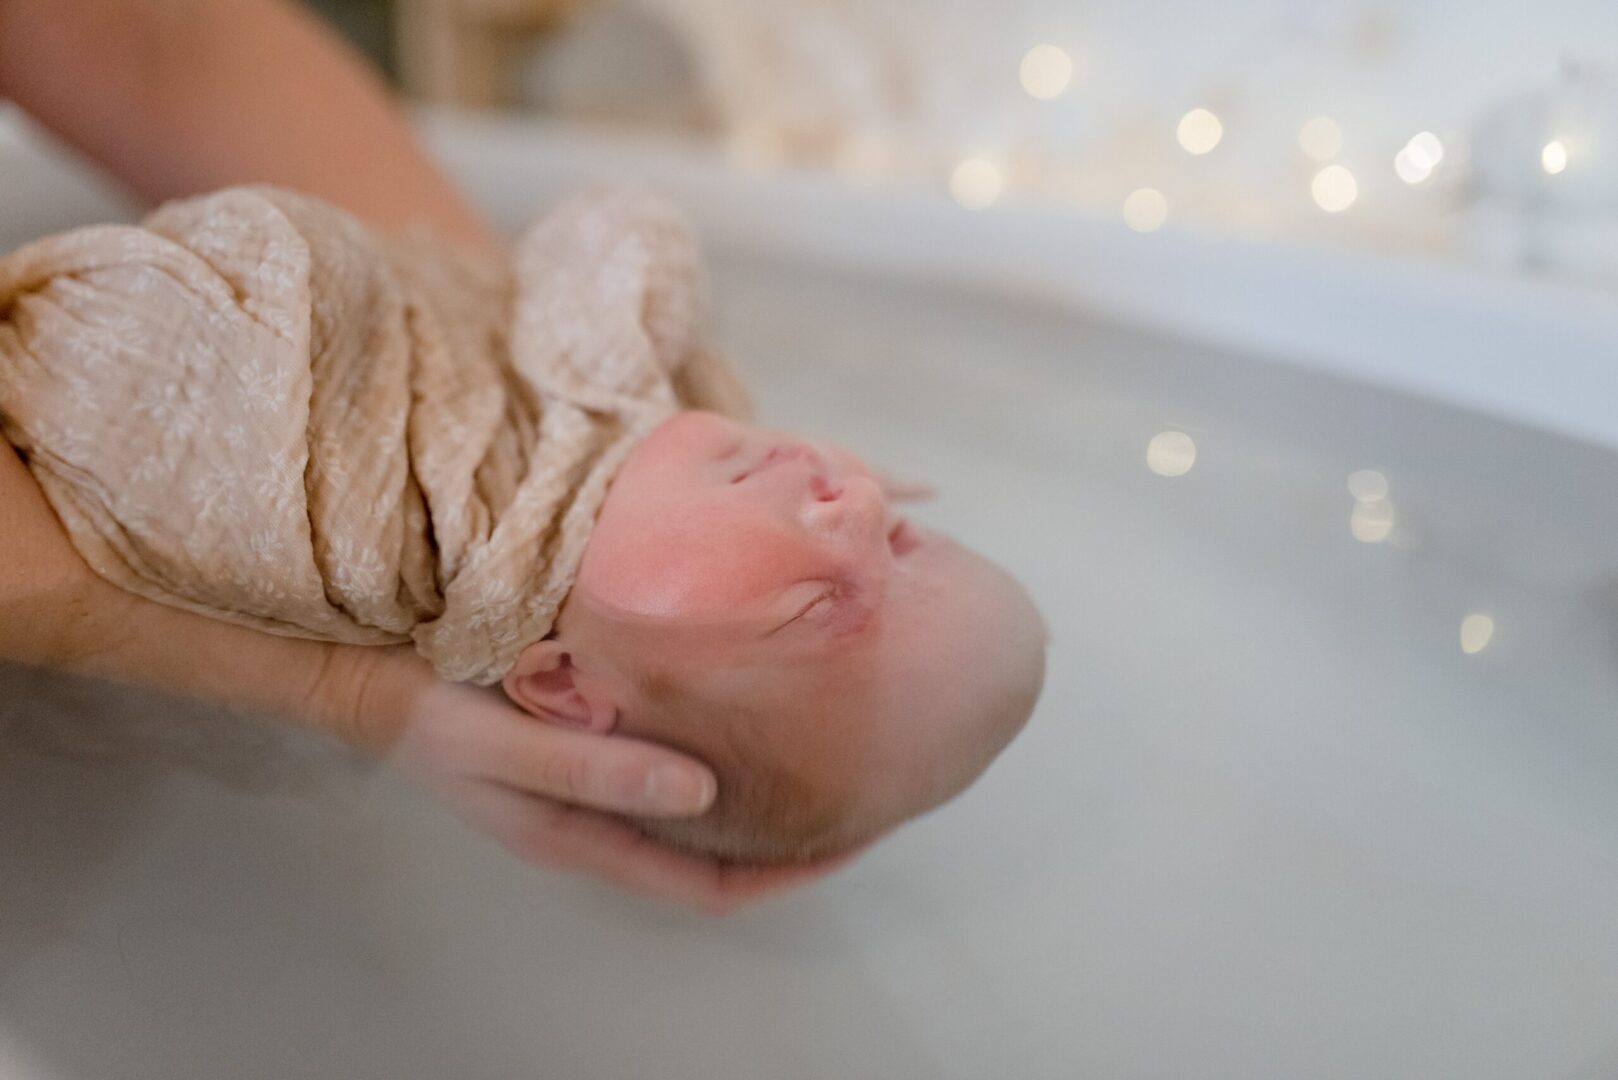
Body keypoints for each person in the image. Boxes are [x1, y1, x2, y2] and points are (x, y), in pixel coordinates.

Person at [0, 0, 847, 912]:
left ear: (565, 688)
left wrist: (481, 338)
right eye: (901, 538)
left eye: (824, 604)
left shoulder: (397, 547)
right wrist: (341, 690)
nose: (862, 504)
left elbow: (148, 37)